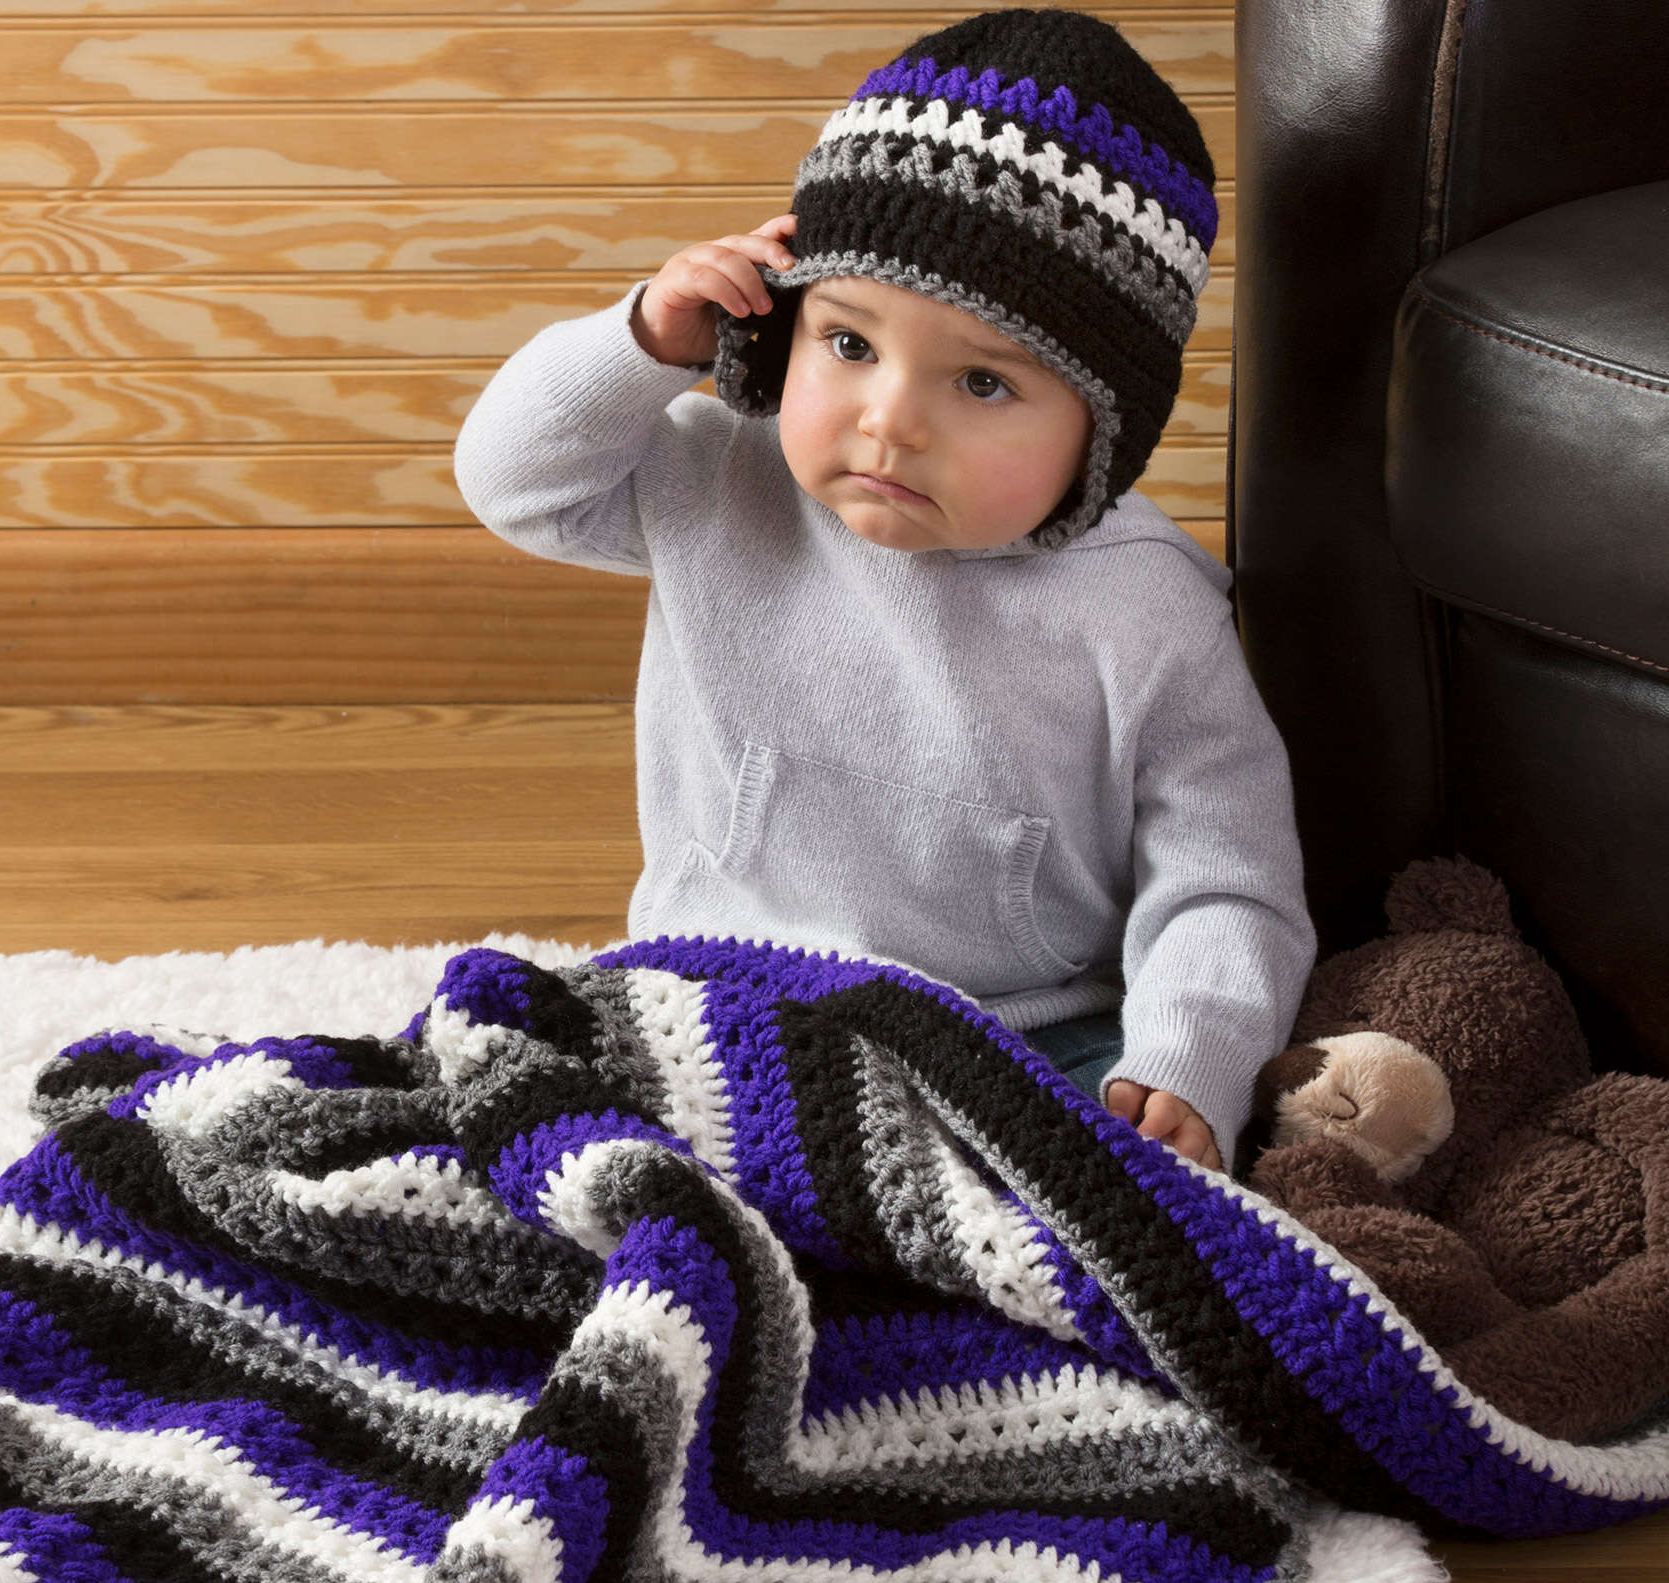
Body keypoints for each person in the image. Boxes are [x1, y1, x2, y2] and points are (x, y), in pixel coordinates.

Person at [453, 8, 1315, 1172]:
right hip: (714, 986)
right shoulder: (722, 476)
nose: (889, 420)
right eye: (849, 345)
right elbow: (515, 483)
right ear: (784, 321)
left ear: (1102, 430)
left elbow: (1226, 878)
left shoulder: (1146, 610)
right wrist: (644, 342)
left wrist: (1183, 1059)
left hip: (1018, 1029)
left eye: (981, 382)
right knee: (531, 1126)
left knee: (1101, 1201)